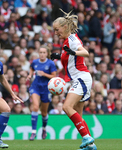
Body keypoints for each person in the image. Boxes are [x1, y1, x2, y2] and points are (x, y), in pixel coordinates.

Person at [51, 10, 97, 150]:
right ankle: (91, 145)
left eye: (57, 30)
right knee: (78, 114)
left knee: (66, 107)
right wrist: (60, 56)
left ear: (64, 27)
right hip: (79, 78)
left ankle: (87, 137)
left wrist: (73, 52)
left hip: (81, 77)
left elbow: (85, 52)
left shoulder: (72, 39)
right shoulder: (67, 41)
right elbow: (71, 58)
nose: (55, 33)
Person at [27, 45, 57, 140]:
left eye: (44, 53)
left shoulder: (51, 63)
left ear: (47, 54)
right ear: (38, 53)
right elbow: (31, 68)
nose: (42, 54)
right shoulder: (35, 62)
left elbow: (54, 76)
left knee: (44, 113)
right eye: (41, 52)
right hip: (36, 87)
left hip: (46, 88)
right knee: (35, 107)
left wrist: (44, 74)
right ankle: (33, 132)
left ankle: (44, 129)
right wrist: (30, 75)